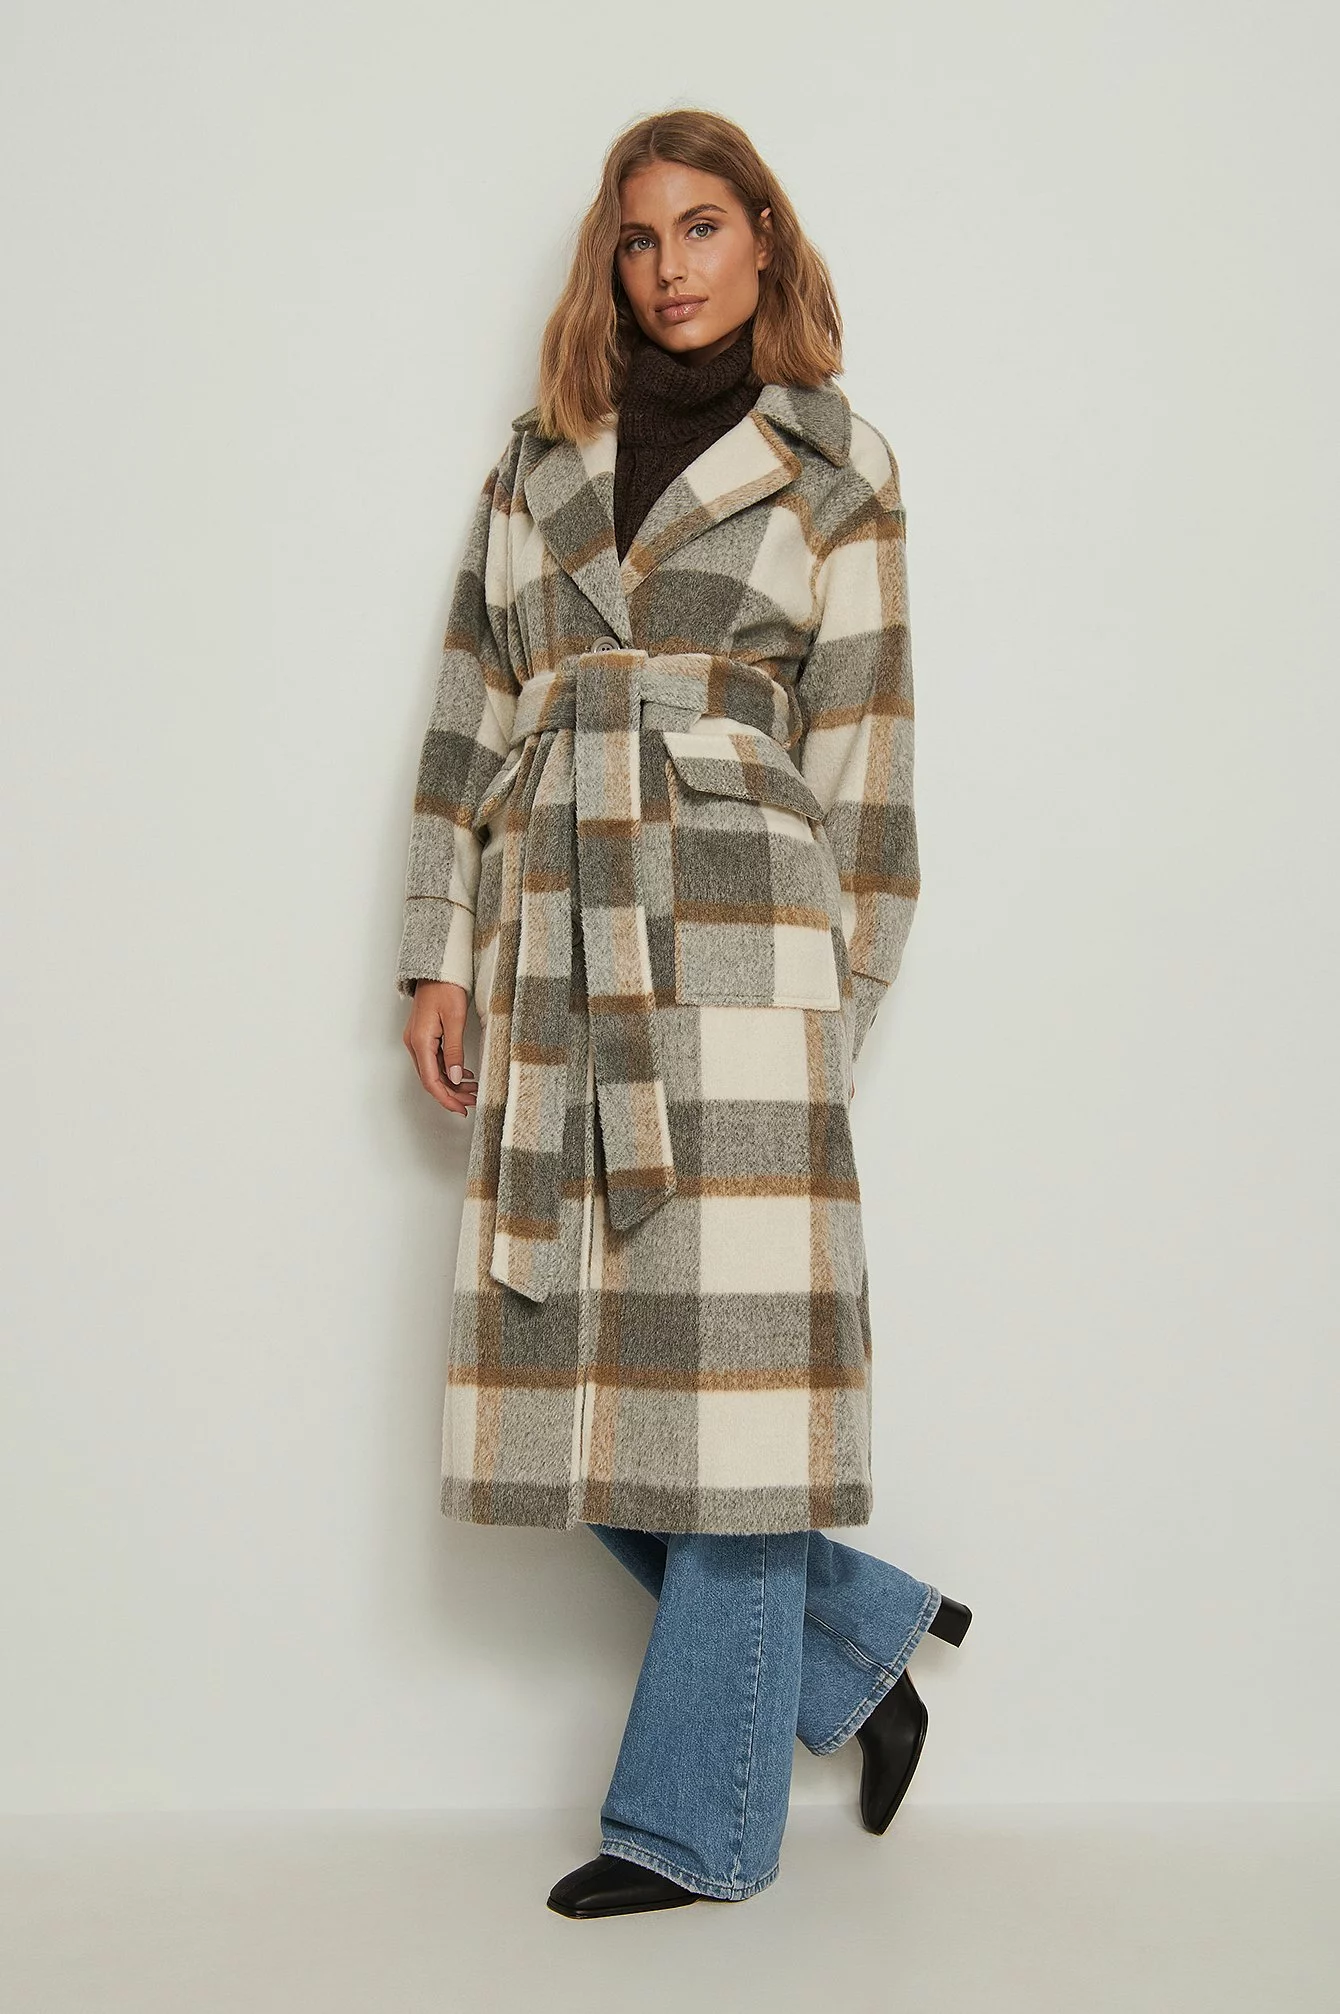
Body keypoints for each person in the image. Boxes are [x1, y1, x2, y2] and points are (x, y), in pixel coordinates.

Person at [395, 108, 972, 1917]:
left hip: (742, 952)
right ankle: (859, 1654)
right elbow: (469, 704)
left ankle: (697, 1823)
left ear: (764, 239)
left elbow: (868, 755)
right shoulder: (535, 463)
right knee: (567, 1377)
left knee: (733, 1397)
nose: (671, 266)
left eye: (704, 226)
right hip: (556, 940)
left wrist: (829, 1002)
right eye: (640, 237)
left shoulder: (837, 463)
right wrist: (436, 947)